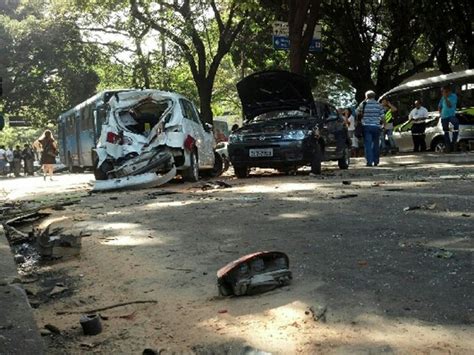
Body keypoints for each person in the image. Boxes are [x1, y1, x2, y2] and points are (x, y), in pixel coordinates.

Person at [356, 90, 385, 167]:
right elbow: (383, 116)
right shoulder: (379, 105)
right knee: (376, 144)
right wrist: (383, 125)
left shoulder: (363, 104)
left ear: (366, 97)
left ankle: (369, 162)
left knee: (368, 144)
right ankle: (376, 161)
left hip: (366, 126)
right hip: (376, 126)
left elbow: (357, 112)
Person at [438, 85, 458, 152]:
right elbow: (439, 106)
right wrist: (440, 114)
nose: (442, 93)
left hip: (451, 116)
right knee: (446, 132)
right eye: (442, 92)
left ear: (448, 91)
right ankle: (448, 146)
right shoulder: (442, 97)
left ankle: (453, 143)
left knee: (455, 128)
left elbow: (449, 105)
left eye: (443, 91)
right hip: (444, 117)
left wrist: (446, 97)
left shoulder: (453, 96)